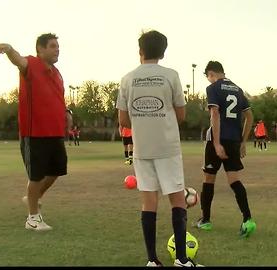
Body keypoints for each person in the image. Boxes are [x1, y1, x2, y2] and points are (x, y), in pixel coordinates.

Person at [116, 30, 202, 267]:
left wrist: (143, 121)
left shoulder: (127, 79)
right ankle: (182, 260)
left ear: (140, 51)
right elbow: (181, 114)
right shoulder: (171, 76)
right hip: (168, 147)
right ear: (163, 52)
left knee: (148, 203)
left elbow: (123, 120)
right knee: (177, 200)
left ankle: (152, 260)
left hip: (142, 149)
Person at [0, 33, 69, 231]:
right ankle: (32, 218)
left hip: (55, 132)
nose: (57, 49)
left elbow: (57, 98)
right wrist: (9, 49)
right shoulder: (31, 64)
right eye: (53, 46)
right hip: (34, 133)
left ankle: (32, 199)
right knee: (36, 176)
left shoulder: (57, 72)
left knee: (56, 171)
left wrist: (66, 114)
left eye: (57, 46)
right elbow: (17, 59)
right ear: (41, 49)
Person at [195, 60, 256, 239]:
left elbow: (214, 114)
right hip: (234, 141)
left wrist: (216, 143)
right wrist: (243, 142)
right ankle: (248, 219)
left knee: (209, 178)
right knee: (234, 180)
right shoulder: (238, 89)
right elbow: (249, 116)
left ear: (212, 74)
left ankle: (205, 221)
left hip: (217, 140)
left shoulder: (213, 88)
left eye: (208, 77)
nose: (209, 81)